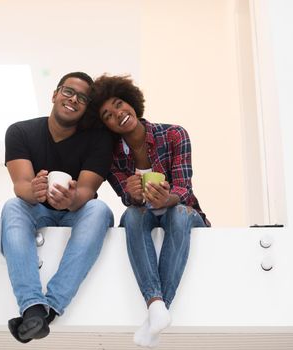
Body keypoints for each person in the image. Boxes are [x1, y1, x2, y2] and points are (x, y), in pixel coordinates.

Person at [88, 75, 210, 348]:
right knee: (131, 216)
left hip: (184, 214)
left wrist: (166, 199)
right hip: (145, 215)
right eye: (107, 115)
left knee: (178, 212)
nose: (117, 114)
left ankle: (155, 308)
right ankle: (156, 306)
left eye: (119, 104)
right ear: (104, 125)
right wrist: (132, 194)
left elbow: (184, 190)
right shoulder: (113, 158)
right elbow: (128, 201)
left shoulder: (174, 134)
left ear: (131, 101)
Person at [1, 72, 114, 343]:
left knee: (100, 210)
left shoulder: (99, 140)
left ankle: (48, 309)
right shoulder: (20, 131)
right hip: (37, 209)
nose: (74, 99)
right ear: (54, 94)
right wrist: (35, 190)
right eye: (68, 92)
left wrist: (71, 200)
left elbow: (87, 190)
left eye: (83, 98)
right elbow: (21, 186)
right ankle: (33, 306)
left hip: (76, 212)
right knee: (12, 206)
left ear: (87, 108)